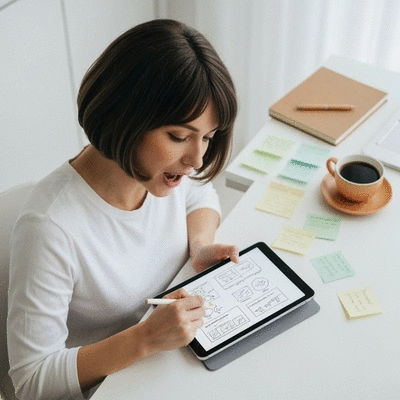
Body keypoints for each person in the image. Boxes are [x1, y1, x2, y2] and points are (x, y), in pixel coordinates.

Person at [7, 19, 238, 399]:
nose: (196, 158)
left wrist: (198, 246)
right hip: (114, 382)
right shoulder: (50, 228)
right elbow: (31, 381)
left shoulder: (163, 175)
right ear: (127, 116)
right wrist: (145, 338)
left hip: (170, 363)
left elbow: (202, 195)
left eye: (208, 138)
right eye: (179, 136)